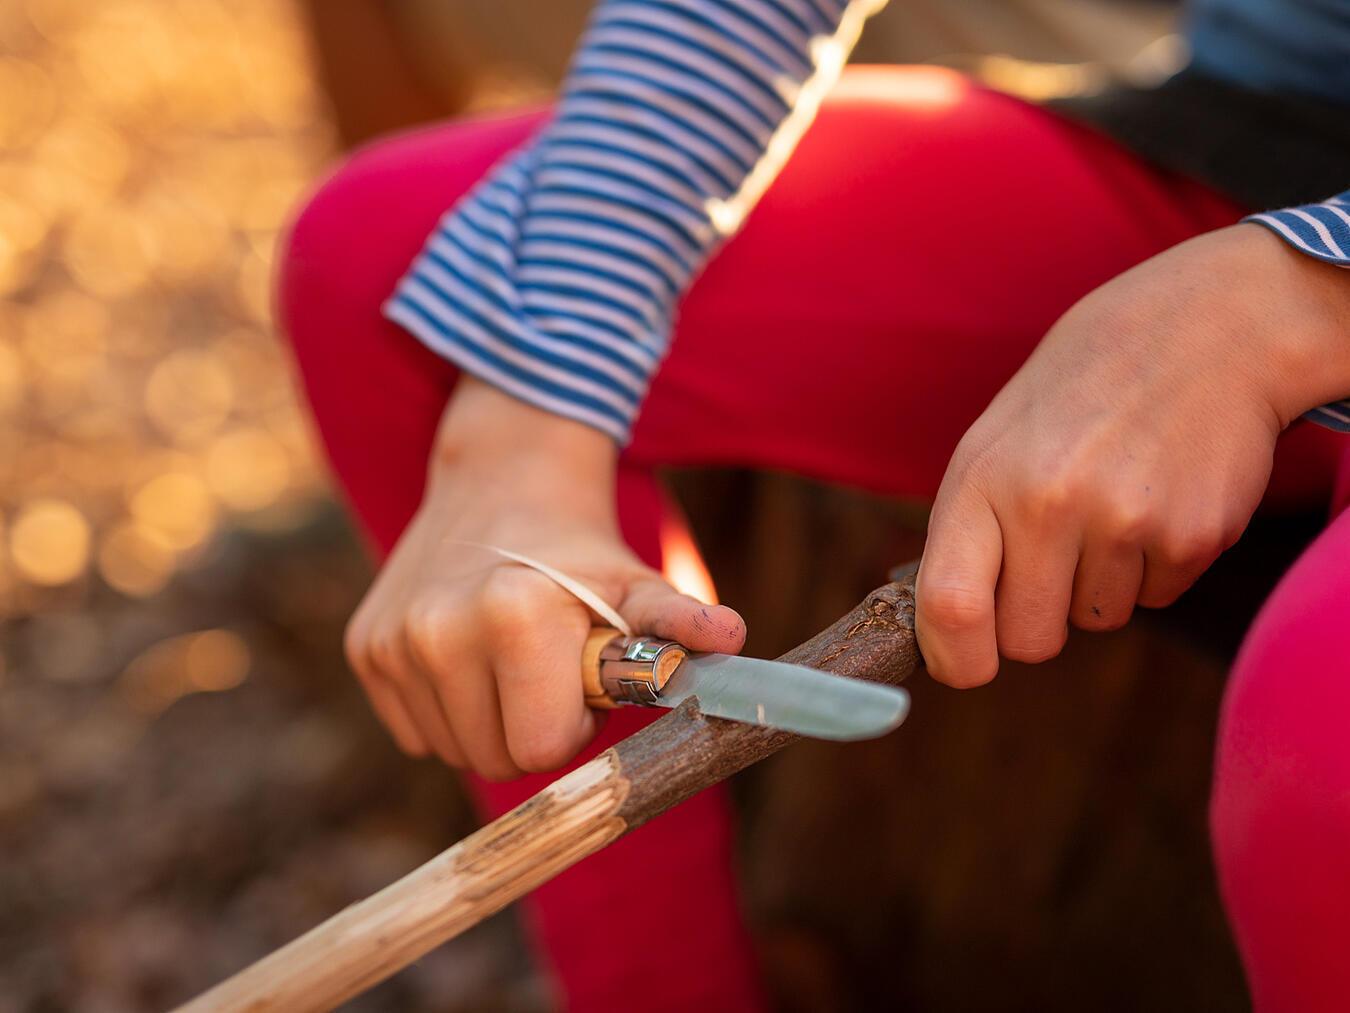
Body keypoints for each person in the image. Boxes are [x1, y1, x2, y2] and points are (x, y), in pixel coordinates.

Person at [277, 0, 1350, 1009]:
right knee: (389, 272)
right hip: (1251, 145)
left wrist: (1289, 305)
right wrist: (524, 419)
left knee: (1319, 760)